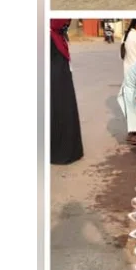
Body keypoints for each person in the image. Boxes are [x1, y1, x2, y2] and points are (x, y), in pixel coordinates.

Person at [50, 19, 84, 165]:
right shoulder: (51, 38)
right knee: (58, 108)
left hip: (60, 79)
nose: (66, 26)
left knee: (64, 108)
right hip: (54, 81)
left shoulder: (58, 36)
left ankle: (67, 149)